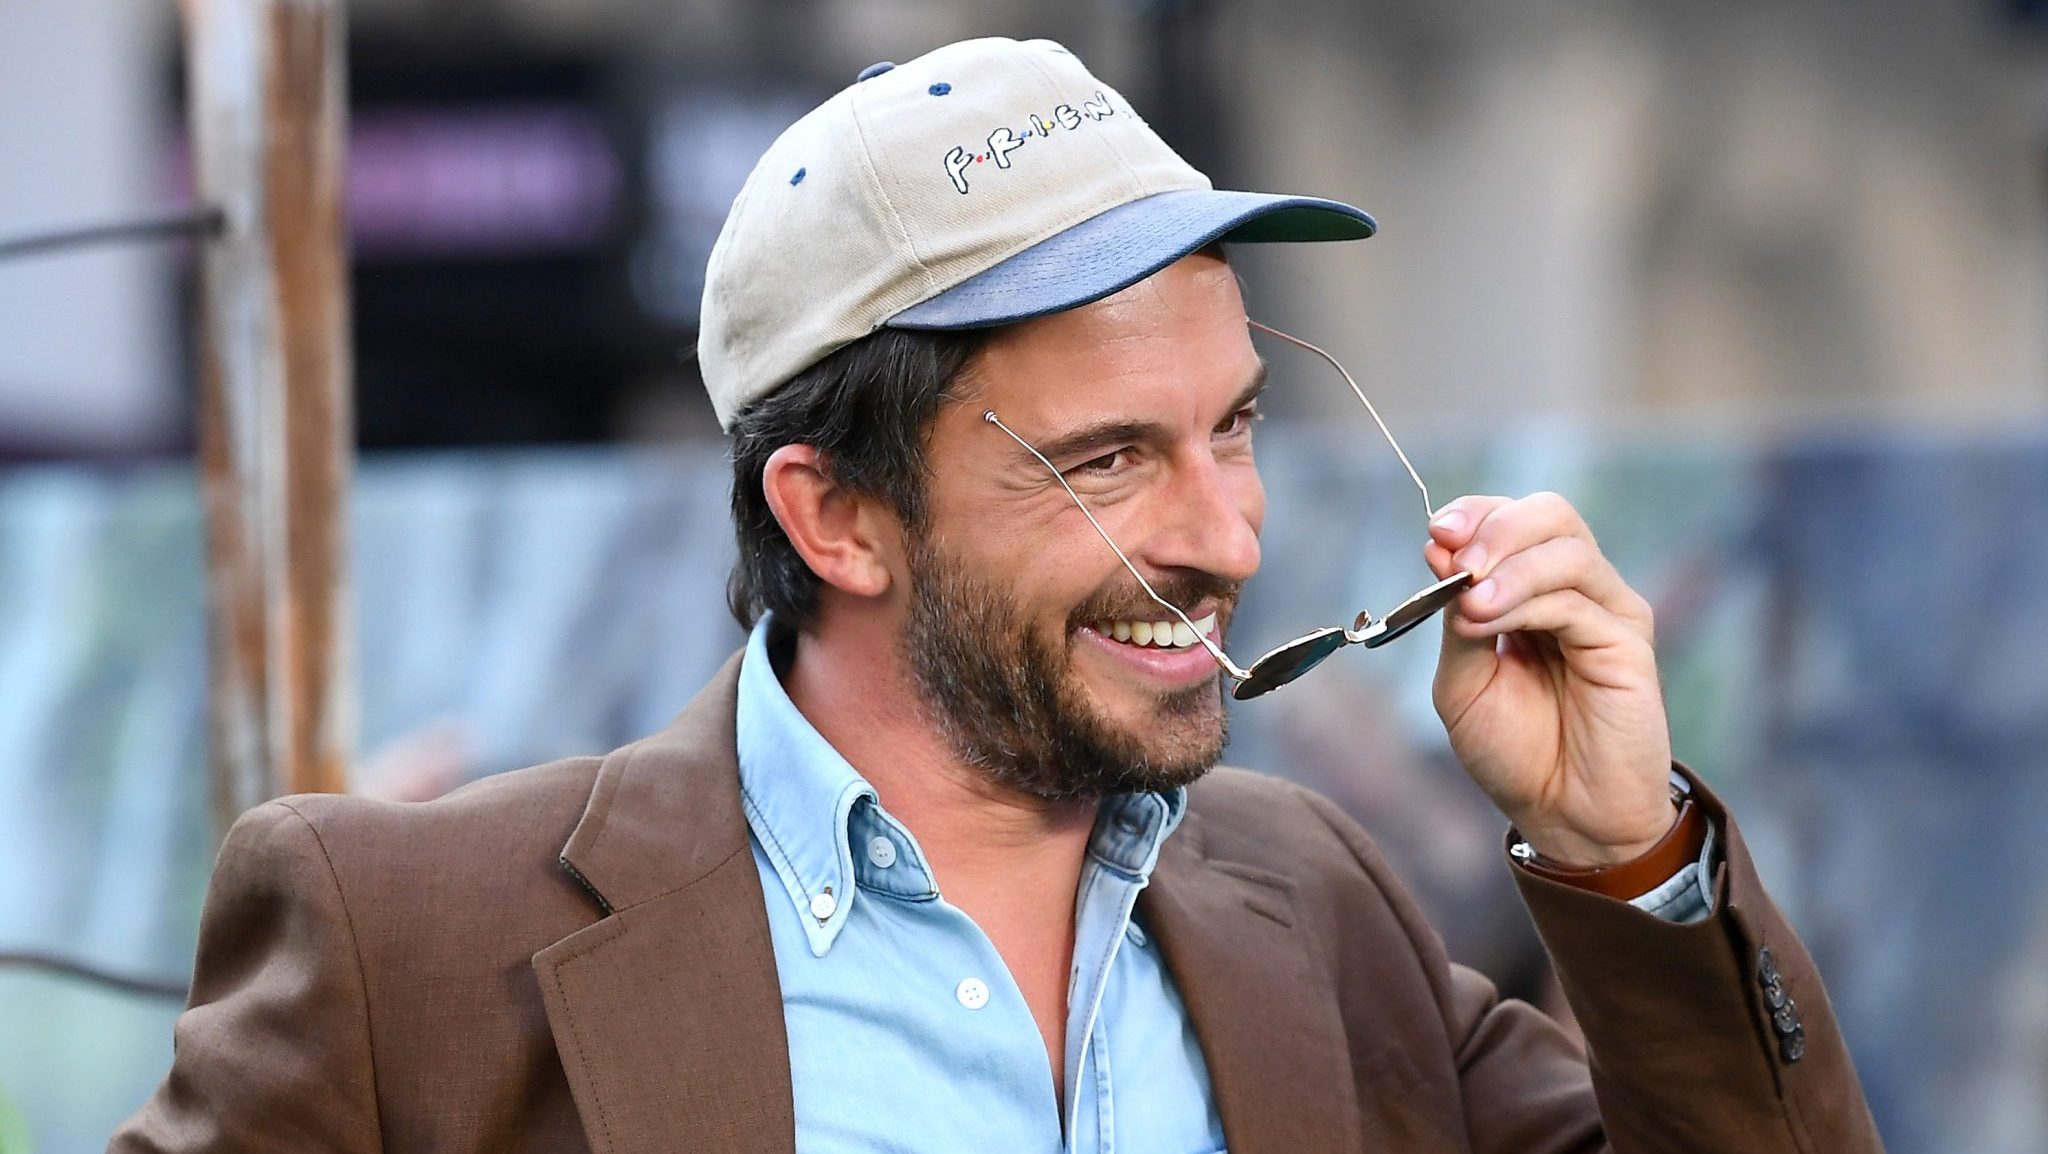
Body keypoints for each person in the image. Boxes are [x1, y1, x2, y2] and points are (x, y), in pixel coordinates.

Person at [113, 37, 1882, 1153]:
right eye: (1109, 460)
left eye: (1236, 427)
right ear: (836, 515)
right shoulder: (405, 941)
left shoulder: (1321, 908)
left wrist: (1621, 847)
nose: (1229, 532)